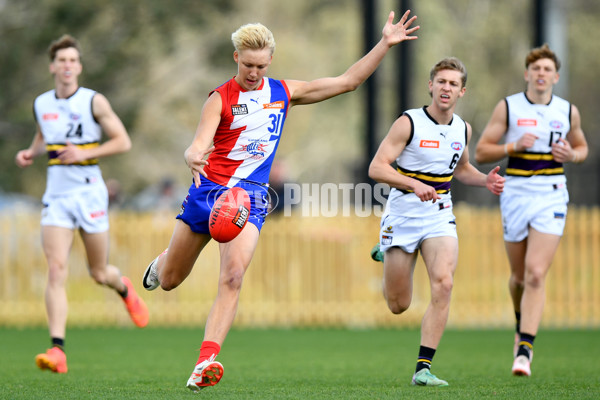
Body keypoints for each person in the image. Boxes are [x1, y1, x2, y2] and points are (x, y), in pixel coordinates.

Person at [141, 10, 420, 391]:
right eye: (248, 64)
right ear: (236, 58)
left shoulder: (284, 92)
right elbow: (198, 145)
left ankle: (204, 361)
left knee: (233, 276)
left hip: (250, 198)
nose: (254, 72)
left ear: (270, 59)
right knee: (171, 280)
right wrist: (192, 154)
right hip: (207, 193)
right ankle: (162, 262)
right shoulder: (219, 99)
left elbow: (348, 82)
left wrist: (385, 42)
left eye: (261, 65)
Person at [14, 34, 149, 374]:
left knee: (98, 272)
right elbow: (46, 134)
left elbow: (123, 141)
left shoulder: (94, 102)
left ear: (79, 66)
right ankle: (57, 349)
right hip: (56, 195)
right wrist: (32, 151)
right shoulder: (41, 103)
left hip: (89, 193)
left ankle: (123, 287)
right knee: (56, 269)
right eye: (62, 61)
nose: (67, 66)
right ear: (52, 67)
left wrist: (85, 152)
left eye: (73, 60)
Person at [368, 57, 505, 386]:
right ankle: (387, 250)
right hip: (402, 212)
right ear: (430, 85)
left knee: (443, 283)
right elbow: (377, 168)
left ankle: (422, 369)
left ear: (462, 91)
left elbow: (462, 169)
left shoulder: (463, 128)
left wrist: (484, 180)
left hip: (440, 215)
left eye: (453, 84)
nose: (446, 88)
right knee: (398, 305)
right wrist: (413, 184)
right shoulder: (409, 123)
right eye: (441, 81)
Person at [475, 44, 588, 377]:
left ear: (555, 76)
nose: (541, 75)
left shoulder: (568, 111)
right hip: (516, 193)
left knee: (537, 273)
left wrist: (573, 155)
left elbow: (581, 146)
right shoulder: (509, 108)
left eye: (547, 70)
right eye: (535, 69)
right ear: (527, 74)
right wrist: (512, 146)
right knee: (519, 277)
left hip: (551, 194)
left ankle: (524, 349)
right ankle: (520, 319)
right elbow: (481, 152)